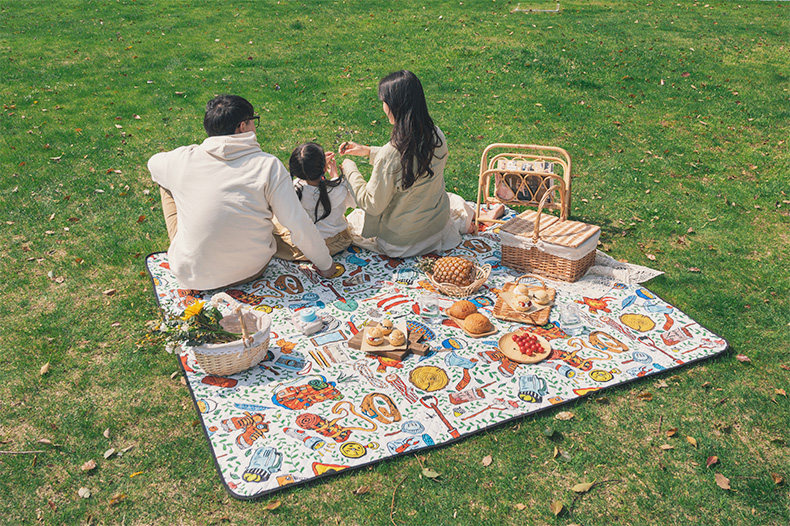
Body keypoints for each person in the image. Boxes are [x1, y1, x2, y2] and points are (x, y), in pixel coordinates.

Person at [148, 95, 335, 290]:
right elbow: (297, 223)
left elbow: (153, 164)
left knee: (165, 180)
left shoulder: (182, 160)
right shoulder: (268, 166)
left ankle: (190, 248)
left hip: (193, 277)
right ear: (243, 126)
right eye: (253, 121)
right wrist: (326, 265)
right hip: (251, 269)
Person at [338, 70, 472, 258]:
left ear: (394, 106)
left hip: (401, 244)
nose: (383, 106)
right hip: (437, 231)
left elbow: (372, 204)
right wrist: (368, 151)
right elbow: (408, 159)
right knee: (454, 200)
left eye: (384, 102)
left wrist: (349, 168)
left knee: (354, 220)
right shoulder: (436, 135)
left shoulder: (390, 155)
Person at [273, 142, 355, 261]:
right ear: (323, 168)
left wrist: (314, 166)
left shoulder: (293, 190)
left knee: (274, 225)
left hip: (307, 246)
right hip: (337, 243)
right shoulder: (339, 188)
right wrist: (335, 175)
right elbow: (352, 203)